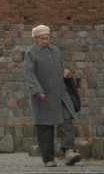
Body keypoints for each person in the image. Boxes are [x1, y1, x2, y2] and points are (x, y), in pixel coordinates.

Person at [24, 24, 81, 167]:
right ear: (36, 39)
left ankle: (69, 152)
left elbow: (61, 67)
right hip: (43, 95)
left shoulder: (55, 50)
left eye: (47, 38)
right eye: (42, 38)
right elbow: (29, 75)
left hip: (60, 93)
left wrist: (65, 72)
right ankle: (48, 159)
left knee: (67, 120)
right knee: (45, 127)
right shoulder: (30, 53)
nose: (45, 41)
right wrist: (37, 91)